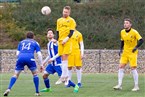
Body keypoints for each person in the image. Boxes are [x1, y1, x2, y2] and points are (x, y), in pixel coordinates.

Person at [3, 31, 43, 96]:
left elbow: (17, 54)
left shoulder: (21, 42)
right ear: (33, 37)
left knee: (15, 74)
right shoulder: (35, 43)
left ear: (26, 36)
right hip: (30, 58)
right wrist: (41, 64)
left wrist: (20, 59)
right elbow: (39, 54)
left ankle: (9, 88)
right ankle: (37, 92)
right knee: (35, 74)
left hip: (20, 57)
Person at [113, 18, 143, 91]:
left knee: (133, 68)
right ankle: (119, 85)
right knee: (120, 67)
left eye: (127, 23)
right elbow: (122, 41)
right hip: (125, 52)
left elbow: (141, 40)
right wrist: (120, 49)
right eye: (124, 23)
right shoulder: (122, 32)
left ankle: (136, 86)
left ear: (130, 24)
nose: (125, 24)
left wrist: (136, 47)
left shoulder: (134, 32)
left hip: (132, 53)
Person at [55, 5, 79, 93]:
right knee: (62, 58)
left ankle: (63, 76)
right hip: (60, 41)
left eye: (66, 12)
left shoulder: (71, 20)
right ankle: (64, 76)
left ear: (69, 13)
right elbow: (57, 31)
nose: (65, 13)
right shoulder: (59, 20)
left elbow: (72, 32)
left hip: (67, 41)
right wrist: (57, 40)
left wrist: (66, 39)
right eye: (64, 11)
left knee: (65, 56)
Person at [40, 28, 62, 92]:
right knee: (44, 75)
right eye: (48, 33)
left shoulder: (55, 42)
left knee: (64, 79)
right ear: (46, 35)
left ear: (53, 35)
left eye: (51, 33)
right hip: (52, 64)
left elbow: (59, 52)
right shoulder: (48, 44)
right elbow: (50, 54)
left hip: (57, 63)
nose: (49, 34)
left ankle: (75, 86)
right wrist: (44, 62)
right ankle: (48, 88)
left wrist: (53, 59)